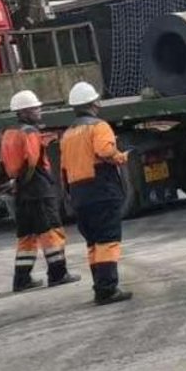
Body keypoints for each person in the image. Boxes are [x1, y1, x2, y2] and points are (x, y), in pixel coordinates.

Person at [59, 80, 131, 305]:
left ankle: (100, 287)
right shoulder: (99, 126)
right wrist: (121, 157)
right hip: (101, 190)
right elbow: (105, 151)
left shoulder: (67, 134)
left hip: (79, 194)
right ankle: (107, 289)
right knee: (107, 240)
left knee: (93, 243)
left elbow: (63, 169)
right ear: (94, 104)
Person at [0, 89, 76, 293]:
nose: (39, 111)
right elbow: (32, 161)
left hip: (22, 193)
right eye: (35, 109)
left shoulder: (8, 133)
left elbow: (7, 163)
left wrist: (16, 183)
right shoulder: (30, 133)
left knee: (27, 236)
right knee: (51, 231)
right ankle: (58, 274)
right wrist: (25, 181)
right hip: (38, 190)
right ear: (24, 112)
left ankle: (22, 279)